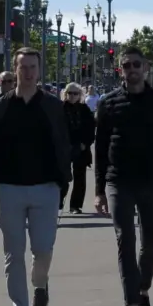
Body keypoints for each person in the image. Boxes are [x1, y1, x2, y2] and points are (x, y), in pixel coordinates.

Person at [0, 48, 72, 306]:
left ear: (39, 71)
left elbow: (63, 146)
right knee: (13, 254)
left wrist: (64, 184)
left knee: (43, 250)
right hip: (11, 189)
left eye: (33, 67)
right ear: (15, 70)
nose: (28, 72)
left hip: (45, 189)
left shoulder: (51, 105)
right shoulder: (1, 106)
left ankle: (40, 283)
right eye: (23, 67)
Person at [94, 46, 153, 306]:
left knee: (150, 241)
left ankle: (143, 288)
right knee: (125, 239)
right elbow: (101, 148)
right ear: (121, 69)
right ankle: (130, 304)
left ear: (145, 69)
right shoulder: (108, 103)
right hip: (118, 180)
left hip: (151, 180)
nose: (131, 69)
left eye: (136, 64)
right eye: (126, 65)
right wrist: (98, 190)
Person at [60, 82, 96, 214]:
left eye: (75, 93)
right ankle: (59, 199)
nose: (72, 96)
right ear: (65, 94)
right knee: (62, 176)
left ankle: (75, 205)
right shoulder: (59, 108)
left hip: (81, 148)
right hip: (64, 148)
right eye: (70, 93)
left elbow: (91, 128)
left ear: (80, 95)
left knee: (80, 177)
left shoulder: (84, 109)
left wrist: (84, 143)